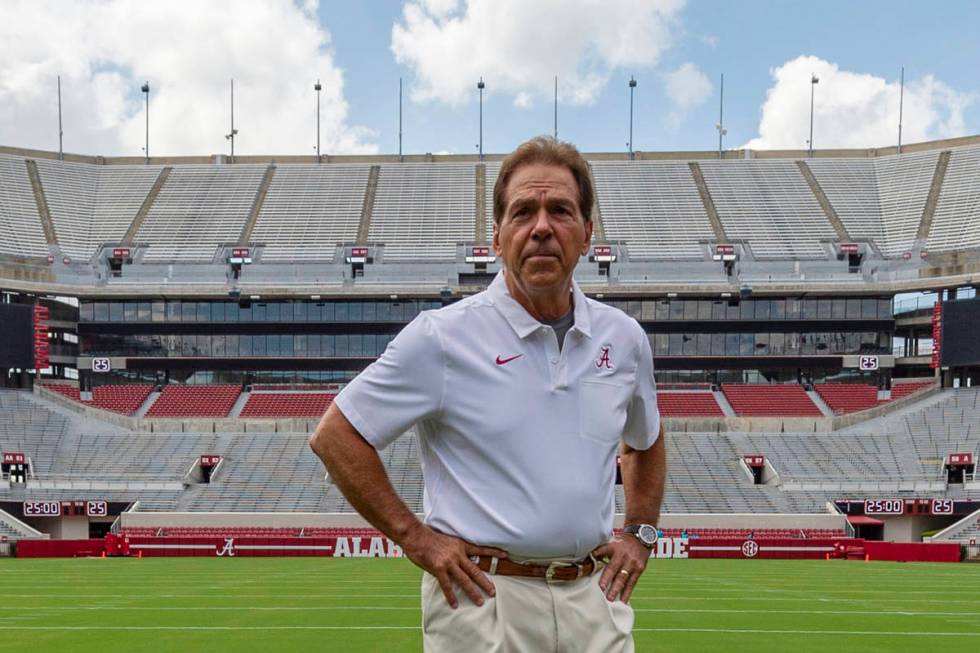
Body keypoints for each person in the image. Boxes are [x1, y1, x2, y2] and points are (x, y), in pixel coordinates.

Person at [309, 136, 666, 652]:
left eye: (560, 210)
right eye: (523, 212)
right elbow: (336, 435)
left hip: (593, 598)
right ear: (497, 237)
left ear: (587, 233)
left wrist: (641, 533)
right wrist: (416, 539)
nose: (541, 227)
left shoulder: (624, 338)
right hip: (482, 600)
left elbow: (644, 442)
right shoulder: (442, 337)